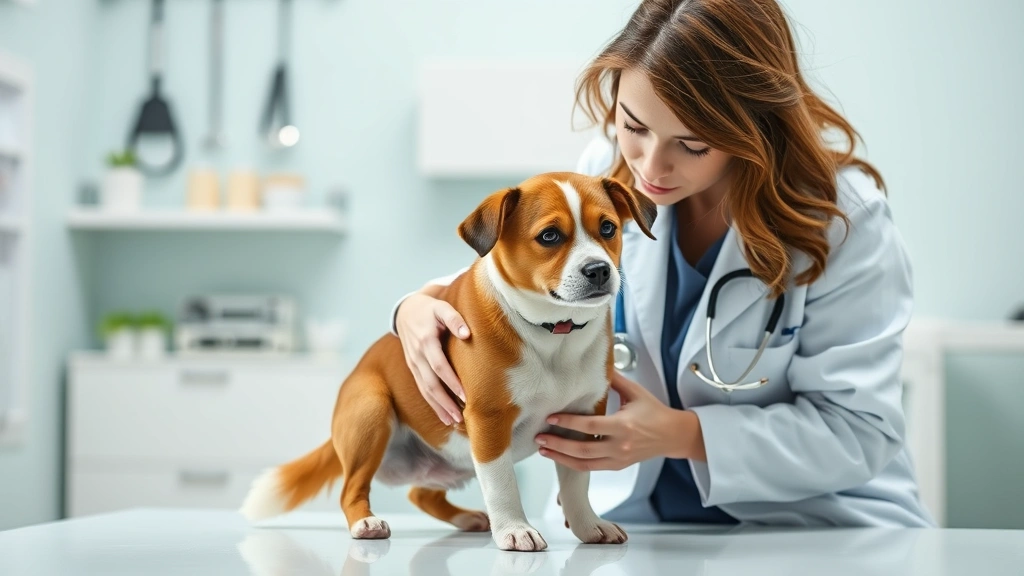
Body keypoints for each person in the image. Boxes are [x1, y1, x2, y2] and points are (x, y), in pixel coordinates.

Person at [390, 0, 935, 527]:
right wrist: (418, 307)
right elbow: (523, 279)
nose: (651, 166)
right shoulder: (605, 172)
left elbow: (860, 431)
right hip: (639, 527)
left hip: (819, 527)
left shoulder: (843, 218)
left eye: (692, 145)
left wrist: (682, 434)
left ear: (755, 126)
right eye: (634, 125)